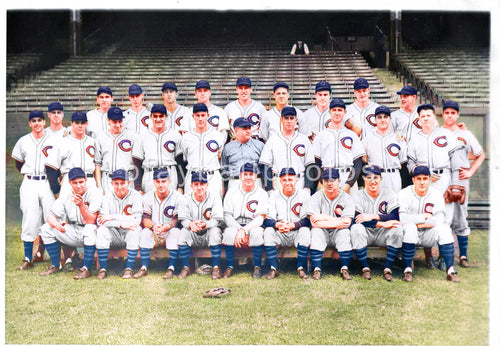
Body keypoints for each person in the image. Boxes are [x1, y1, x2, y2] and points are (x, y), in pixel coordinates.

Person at [406, 104, 462, 267]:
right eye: (422, 116)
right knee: (426, 216)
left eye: (428, 115)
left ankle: (445, 259)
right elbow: (410, 163)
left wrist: (455, 184)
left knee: (446, 218)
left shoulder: (446, 134)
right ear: (419, 119)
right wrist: (420, 171)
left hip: (444, 177)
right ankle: (429, 258)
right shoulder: (415, 138)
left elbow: (456, 159)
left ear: (434, 117)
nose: (425, 119)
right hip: (425, 181)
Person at [441, 100, 485, 268]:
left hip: (460, 177)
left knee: (460, 214)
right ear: (443, 114)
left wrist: (470, 172)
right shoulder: (439, 132)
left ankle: (463, 256)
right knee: (444, 214)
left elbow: (480, 154)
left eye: (453, 113)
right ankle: (445, 256)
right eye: (447, 113)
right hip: (444, 175)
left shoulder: (465, 133)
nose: (450, 116)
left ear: (457, 114)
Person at [398, 166, 459, 282]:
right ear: (413, 180)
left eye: (425, 179)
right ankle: (407, 271)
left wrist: (417, 222)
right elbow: (403, 218)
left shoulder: (436, 194)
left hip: (428, 233)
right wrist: (423, 217)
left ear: (429, 179)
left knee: (445, 229)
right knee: (410, 228)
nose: (422, 182)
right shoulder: (404, 193)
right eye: (419, 179)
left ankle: (450, 270)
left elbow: (439, 219)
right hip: (408, 234)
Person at [38, 167, 102, 279]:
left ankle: (86, 268)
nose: (78, 185)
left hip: (94, 232)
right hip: (74, 229)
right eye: (75, 183)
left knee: (89, 228)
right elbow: (50, 217)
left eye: (81, 182)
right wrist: (56, 224)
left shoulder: (94, 193)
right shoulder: (66, 196)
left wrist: (81, 205)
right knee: (46, 229)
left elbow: (91, 220)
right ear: (70, 183)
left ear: (85, 180)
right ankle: (55, 265)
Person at [11, 110, 56, 270]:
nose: (37, 123)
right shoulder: (23, 141)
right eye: (34, 121)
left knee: (50, 217)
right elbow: (18, 162)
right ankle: (28, 258)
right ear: (30, 123)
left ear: (44, 122)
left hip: (46, 182)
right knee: (30, 218)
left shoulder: (53, 139)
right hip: (29, 181)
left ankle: (49, 256)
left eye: (40, 120)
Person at [350, 165, 403, 281]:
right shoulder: (357, 195)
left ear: (381, 179)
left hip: (382, 234)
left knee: (397, 227)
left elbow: (395, 216)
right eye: (368, 177)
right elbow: (356, 219)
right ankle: (365, 268)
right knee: (356, 228)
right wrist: (382, 223)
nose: (372, 181)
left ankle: (388, 268)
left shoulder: (389, 194)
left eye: (376, 178)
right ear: (363, 179)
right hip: (366, 233)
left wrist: (374, 216)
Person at [303, 168, 354, 280]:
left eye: (333, 180)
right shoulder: (316, 197)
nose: (329, 183)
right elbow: (314, 223)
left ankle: (344, 268)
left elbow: (347, 222)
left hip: (337, 231)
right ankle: (317, 269)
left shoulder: (346, 198)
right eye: (326, 180)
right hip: (323, 230)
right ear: (322, 182)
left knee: (344, 232)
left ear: (338, 181)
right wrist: (337, 222)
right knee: (316, 231)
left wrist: (322, 218)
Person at [262, 168, 311, 279]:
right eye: (284, 180)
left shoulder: (304, 195)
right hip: (280, 231)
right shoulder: (274, 195)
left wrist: (294, 225)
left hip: (296, 231)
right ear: (280, 181)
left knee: (305, 231)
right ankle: (273, 269)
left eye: (290, 179)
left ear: (296, 180)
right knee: (269, 231)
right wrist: (277, 224)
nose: (287, 182)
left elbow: (308, 220)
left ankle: (301, 268)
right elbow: (267, 219)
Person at [222, 163, 268, 278]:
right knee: (228, 233)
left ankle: (257, 266)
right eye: (245, 174)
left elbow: (260, 218)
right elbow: (227, 216)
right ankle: (229, 267)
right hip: (235, 224)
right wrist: (240, 230)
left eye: (251, 174)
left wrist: (244, 231)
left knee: (257, 233)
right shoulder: (232, 191)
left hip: (252, 225)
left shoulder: (261, 193)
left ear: (255, 176)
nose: (248, 177)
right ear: (240, 176)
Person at [95, 169, 143, 279]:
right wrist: (121, 224)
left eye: (122, 183)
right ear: (112, 184)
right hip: (114, 234)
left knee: (134, 229)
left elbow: (136, 220)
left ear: (128, 183)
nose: (119, 186)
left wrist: (113, 217)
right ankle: (103, 269)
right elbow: (101, 220)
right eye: (116, 183)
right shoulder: (107, 196)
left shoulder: (136, 195)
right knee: (102, 230)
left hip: (129, 233)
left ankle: (128, 269)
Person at [136, 169, 183, 279]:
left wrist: (167, 226)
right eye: (158, 181)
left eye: (163, 181)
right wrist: (153, 226)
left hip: (169, 232)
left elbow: (176, 219)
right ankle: (143, 267)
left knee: (175, 232)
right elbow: (145, 219)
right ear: (154, 182)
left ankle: (171, 268)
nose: (161, 185)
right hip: (155, 233)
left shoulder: (177, 197)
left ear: (169, 182)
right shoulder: (147, 197)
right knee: (145, 233)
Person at [311, 99, 365, 193]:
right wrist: (324, 182)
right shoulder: (321, 135)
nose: (337, 113)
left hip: (348, 177)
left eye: (340, 110)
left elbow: (358, 163)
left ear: (345, 112)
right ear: (329, 112)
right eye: (334, 110)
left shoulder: (351, 135)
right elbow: (316, 163)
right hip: (327, 176)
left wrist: (348, 184)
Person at [176, 172, 224, 280]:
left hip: (208, 231)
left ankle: (216, 268)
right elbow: (183, 219)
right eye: (196, 184)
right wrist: (190, 224)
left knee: (215, 231)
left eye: (202, 184)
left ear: (207, 185)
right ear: (191, 186)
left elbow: (218, 220)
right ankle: (186, 267)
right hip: (193, 231)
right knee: (183, 232)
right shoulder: (185, 198)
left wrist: (205, 224)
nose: (199, 187)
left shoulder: (215, 196)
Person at [260, 106, 314, 192]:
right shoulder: (272, 140)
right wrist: (269, 188)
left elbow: (310, 165)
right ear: (281, 119)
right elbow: (265, 166)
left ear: (296, 120)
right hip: (278, 181)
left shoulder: (304, 140)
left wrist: (308, 187)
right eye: (286, 118)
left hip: (299, 181)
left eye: (291, 118)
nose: (289, 121)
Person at [132, 104, 183, 193]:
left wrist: (181, 186)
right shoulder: (142, 136)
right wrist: (138, 187)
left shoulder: (175, 135)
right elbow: (137, 163)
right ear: (151, 117)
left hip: (170, 174)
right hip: (149, 174)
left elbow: (180, 162)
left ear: (166, 117)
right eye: (155, 116)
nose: (158, 119)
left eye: (161, 116)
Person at [45, 112, 97, 198]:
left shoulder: (93, 142)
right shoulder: (62, 142)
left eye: (82, 123)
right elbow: (50, 167)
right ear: (71, 124)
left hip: (89, 180)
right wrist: (56, 188)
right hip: (70, 181)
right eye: (77, 122)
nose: (80, 125)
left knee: (91, 210)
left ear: (86, 124)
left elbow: (98, 164)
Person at [181, 103, 225, 197]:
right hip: (193, 175)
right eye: (197, 115)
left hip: (212, 176)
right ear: (193, 116)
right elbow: (185, 157)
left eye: (203, 115)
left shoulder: (217, 135)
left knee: (214, 207)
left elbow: (220, 155)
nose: (200, 118)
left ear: (208, 116)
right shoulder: (186, 137)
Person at [361, 105, 407, 192]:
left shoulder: (398, 139)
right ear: (375, 120)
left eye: (385, 117)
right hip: (374, 176)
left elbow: (403, 163)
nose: (382, 120)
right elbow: (363, 160)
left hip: (393, 175)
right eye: (379, 117)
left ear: (390, 119)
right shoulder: (367, 139)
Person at [94, 106, 137, 195]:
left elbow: (137, 162)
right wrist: (99, 185)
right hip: (108, 179)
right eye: (114, 122)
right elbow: (97, 164)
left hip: (126, 179)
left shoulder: (131, 136)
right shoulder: (101, 136)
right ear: (108, 121)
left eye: (120, 121)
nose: (118, 125)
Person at [221, 117, 264, 191]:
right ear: (236, 130)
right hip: (235, 181)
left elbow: (264, 167)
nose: (248, 131)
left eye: (249, 128)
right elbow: (224, 169)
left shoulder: (259, 145)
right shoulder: (228, 147)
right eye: (244, 129)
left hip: (255, 181)